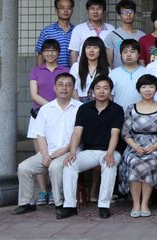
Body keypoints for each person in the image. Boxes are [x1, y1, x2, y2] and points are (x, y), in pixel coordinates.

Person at [13, 73, 80, 215]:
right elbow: (40, 135)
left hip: (71, 151)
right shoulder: (45, 109)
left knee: (55, 167)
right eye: (60, 84)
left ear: (73, 88)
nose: (64, 88)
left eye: (68, 85)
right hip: (49, 151)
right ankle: (26, 203)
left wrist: (62, 151)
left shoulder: (80, 108)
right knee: (24, 167)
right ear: (54, 88)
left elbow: (79, 135)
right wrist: (44, 155)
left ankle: (59, 203)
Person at [59, 75, 124, 219]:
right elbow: (77, 133)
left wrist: (109, 153)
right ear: (92, 91)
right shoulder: (84, 109)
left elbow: (115, 134)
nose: (101, 91)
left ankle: (104, 205)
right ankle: (70, 206)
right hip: (90, 150)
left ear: (110, 91)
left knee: (109, 164)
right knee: (70, 164)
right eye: (98, 88)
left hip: (111, 150)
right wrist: (72, 152)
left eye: (105, 88)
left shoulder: (117, 109)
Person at [27, 39, 70, 205]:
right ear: (42, 53)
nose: (50, 53)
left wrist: (60, 109)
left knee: (56, 155)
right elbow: (34, 95)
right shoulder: (36, 71)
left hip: (62, 117)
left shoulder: (65, 70)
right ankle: (43, 191)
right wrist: (53, 107)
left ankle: (54, 191)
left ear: (58, 52)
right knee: (41, 155)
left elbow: (70, 91)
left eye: (53, 50)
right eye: (47, 51)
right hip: (39, 115)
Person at [120, 74, 157, 218]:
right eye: (144, 87)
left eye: (151, 86)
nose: (147, 90)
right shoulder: (131, 108)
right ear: (139, 89)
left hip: (156, 147)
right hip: (134, 145)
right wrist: (135, 147)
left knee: (150, 162)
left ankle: (145, 203)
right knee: (134, 161)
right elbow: (126, 134)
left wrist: (153, 147)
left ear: (156, 89)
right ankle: (136, 203)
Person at [69, 0, 114, 65]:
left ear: (104, 11)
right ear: (87, 11)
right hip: (83, 68)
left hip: (104, 68)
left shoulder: (111, 29)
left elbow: (112, 52)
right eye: (92, 8)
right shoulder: (78, 29)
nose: (95, 12)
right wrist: (74, 69)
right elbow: (74, 53)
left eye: (99, 8)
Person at [104, 0, 146, 68]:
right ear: (118, 15)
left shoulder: (142, 36)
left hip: (138, 73)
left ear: (135, 14)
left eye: (130, 11)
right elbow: (108, 63)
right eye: (124, 12)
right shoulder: (111, 36)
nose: (128, 14)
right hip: (118, 73)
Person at [35, 0, 74, 67]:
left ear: (72, 10)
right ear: (56, 10)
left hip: (72, 72)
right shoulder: (46, 32)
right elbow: (40, 55)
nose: (65, 10)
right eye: (62, 8)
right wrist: (38, 72)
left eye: (68, 8)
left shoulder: (77, 31)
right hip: (52, 72)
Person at [108, 39, 147, 109]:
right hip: (119, 113)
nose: (128, 55)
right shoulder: (113, 74)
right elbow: (109, 97)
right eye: (125, 52)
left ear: (139, 54)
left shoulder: (146, 72)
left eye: (132, 51)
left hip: (143, 113)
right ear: (120, 55)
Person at [70, 36, 111, 102]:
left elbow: (109, 89)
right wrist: (79, 105)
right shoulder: (76, 66)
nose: (91, 51)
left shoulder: (106, 68)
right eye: (88, 47)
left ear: (101, 50)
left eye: (95, 47)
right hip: (79, 102)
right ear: (84, 50)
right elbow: (71, 87)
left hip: (100, 102)